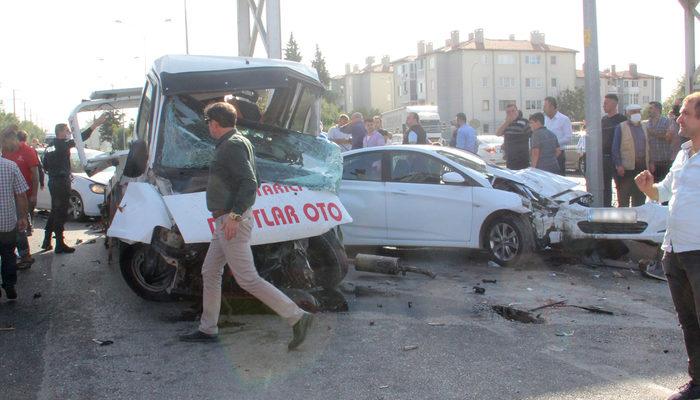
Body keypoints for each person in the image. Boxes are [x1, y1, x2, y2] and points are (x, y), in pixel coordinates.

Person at [179, 102, 313, 349]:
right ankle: (208, 329)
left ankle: (297, 317)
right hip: (226, 221)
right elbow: (254, 179)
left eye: (209, 122)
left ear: (215, 123)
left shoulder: (232, 146)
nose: (208, 126)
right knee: (210, 271)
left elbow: (250, 183)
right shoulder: (238, 142)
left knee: (248, 279)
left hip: (231, 222)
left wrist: (234, 216)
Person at [634, 92, 700, 400]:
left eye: (686, 113)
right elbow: (662, 194)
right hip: (674, 251)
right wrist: (649, 188)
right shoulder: (684, 153)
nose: (679, 118)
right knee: (688, 321)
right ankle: (697, 382)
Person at [43, 114, 108, 253]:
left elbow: (45, 166)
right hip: (61, 183)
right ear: (60, 132)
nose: (69, 133)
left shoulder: (49, 147)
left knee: (55, 210)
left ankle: (46, 239)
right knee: (60, 212)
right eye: (67, 131)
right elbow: (81, 137)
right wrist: (95, 124)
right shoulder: (62, 145)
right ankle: (59, 244)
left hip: (54, 181)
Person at [1, 127, 39, 268]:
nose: (3, 145)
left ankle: (25, 256)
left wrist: (34, 194)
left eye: (5, 141)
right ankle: (15, 255)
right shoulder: (5, 152)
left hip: (23, 195)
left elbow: (35, 175)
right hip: (8, 196)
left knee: (19, 226)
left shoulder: (28, 151)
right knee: (13, 227)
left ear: (14, 139)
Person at [0, 139, 29, 301]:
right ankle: (9, 284)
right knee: (8, 254)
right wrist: (23, 217)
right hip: (6, 222)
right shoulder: (10, 166)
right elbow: (21, 195)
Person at [612, 104, 648, 207]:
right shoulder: (621, 127)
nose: (637, 114)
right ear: (627, 114)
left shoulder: (644, 127)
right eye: (633, 112)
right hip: (626, 169)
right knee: (624, 198)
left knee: (640, 198)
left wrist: (650, 162)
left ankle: (637, 221)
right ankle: (624, 222)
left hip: (641, 167)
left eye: (638, 111)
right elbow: (615, 147)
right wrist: (619, 165)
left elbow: (648, 146)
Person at [601, 94, 627, 207]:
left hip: (618, 159)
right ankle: (607, 210)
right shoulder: (603, 120)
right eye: (604, 102)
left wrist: (619, 162)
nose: (604, 105)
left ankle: (622, 212)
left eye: (606, 103)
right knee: (605, 187)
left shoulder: (622, 120)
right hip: (605, 158)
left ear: (614, 104)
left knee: (620, 187)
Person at [496, 104, 531, 169]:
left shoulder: (524, 122)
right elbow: (498, 133)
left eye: (513, 111)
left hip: (522, 160)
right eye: (508, 112)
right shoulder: (507, 124)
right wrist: (507, 122)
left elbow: (532, 136)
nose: (511, 113)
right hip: (510, 160)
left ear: (517, 111)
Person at [543, 96, 572, 175]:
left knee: (559, 178)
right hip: (546, 155)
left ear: (552, 107)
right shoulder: (544, 120)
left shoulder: (564, 119)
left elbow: (568, 138)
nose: (543, 108)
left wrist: (554, 144)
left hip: (558, 154)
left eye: (545, 106)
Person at [646, 101, 674, 182]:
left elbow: (669, 138)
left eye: (651, 108)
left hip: (665, 162)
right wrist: (650, 162)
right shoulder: (647, 124)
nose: (649, 110)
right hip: (652, 163)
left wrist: (652, 133)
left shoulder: (667, 121)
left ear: (658, 109)